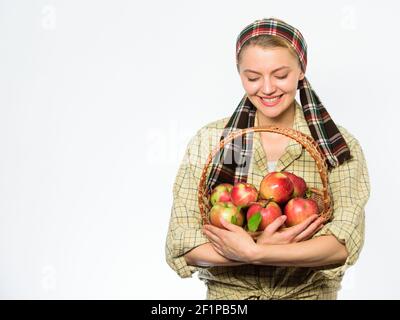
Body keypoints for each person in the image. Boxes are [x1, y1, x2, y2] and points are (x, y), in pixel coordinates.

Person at [165, 17, 370, 300]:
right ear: (239, 74)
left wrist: (256, 251)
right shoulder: (210, 140)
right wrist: (260, 246)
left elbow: (342, 244)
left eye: (280, 75)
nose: (267, 88)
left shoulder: (336, 145)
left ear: (301, 69)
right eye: (253, 77)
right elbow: (181, 243)